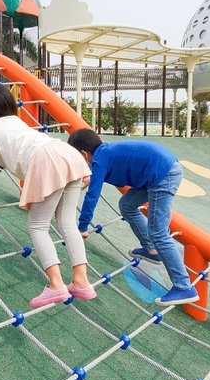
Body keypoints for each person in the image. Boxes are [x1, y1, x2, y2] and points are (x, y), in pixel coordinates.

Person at [0, 85, 96, 308]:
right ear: (11, 106)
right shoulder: (18, 123)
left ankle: (56, 284)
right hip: (68, 154)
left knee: (38, 226)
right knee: (67, 222)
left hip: (48, 159)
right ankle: (81, 281)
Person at [67, 129, 199, 307]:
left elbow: (92, 196)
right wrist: (91, 178)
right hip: (157, 171)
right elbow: (109, 170)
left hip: (162, 174)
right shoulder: (104, 153)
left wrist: (82, 226)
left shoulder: (99, 160)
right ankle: (151, 249)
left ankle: (184, 287)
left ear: (84, 154)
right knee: (127, 205)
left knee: (158, 232)